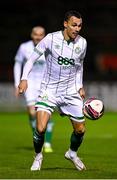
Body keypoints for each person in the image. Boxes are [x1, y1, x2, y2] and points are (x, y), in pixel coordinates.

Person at [18, 10, 87, 171]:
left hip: (70, 91)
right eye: (74, 25)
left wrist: (79, 86)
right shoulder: (50, 38)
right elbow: (31, 59)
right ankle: (38, 156)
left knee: (81, 130)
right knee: (40, 128)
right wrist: (23, 78)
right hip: (49, 90)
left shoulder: (82, 43)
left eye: (80, 25)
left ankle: (72, 153)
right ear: (65, 24)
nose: (77, 29)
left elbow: (79, 67)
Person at [13, 26, 54, 153]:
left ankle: (47, 142)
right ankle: (38, 138)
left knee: (46, 113)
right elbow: (18, 64)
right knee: (32, 113)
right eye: (36, 34)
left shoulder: (49, 46)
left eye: (41, 34)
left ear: (44, 35)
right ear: (32, 35)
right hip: (29, 83)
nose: (38, 37)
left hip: (45, 84)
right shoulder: (24, 47)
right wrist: (17, 83)